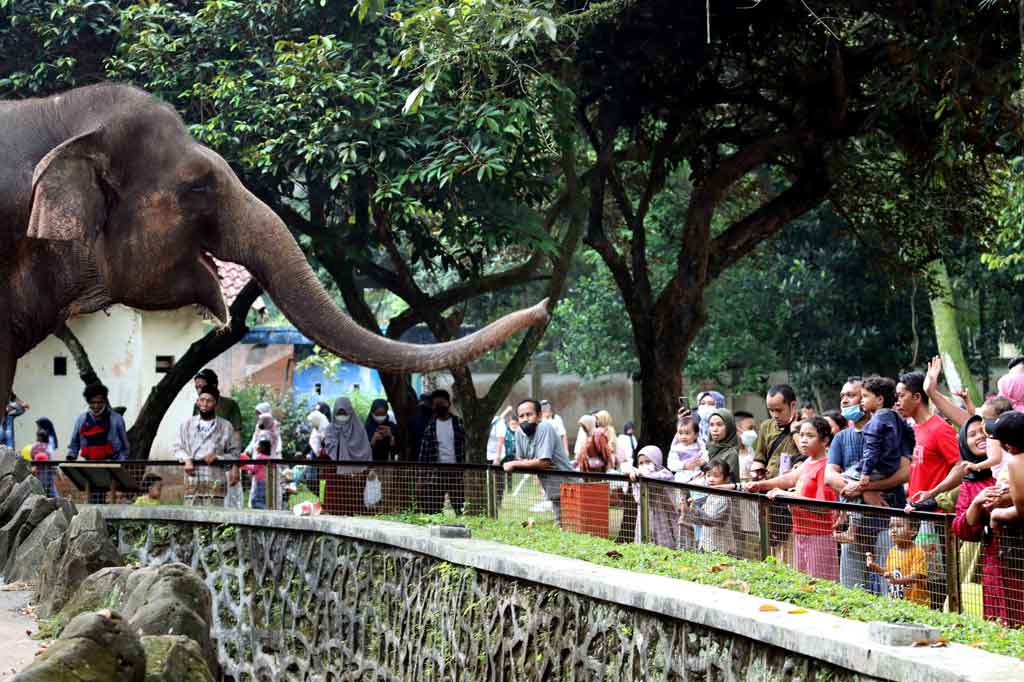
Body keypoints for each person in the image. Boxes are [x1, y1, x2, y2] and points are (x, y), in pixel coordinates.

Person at [950, 415, 1024, 626]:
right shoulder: (970, 483)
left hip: (1017, 556)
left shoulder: (1015, 465)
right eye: (972, 434)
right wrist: (976, 504)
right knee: (1000, 624)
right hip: (996, 562)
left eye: (985, 434)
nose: (981, 438)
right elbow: (961, 529)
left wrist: (1002, 506)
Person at [896, 370, 959, 609]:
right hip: (918, 515)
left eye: (901, 396)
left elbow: (960, 467)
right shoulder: (916, 429)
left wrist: (934, 494)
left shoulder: (939, 428)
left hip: (937, 518)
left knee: (937, 582)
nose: (898, 401)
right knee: (920, 579)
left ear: (916, 398)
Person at [747, 417, 838, 581]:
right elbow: (789, 479)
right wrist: (761, 485)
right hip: (800, 531)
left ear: (824, 440)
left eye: (810, 436)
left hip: (818, 536)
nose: (803, 440)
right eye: (801, 435)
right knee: (803, 583)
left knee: (820, 585)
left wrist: (787, 496)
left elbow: (823, 506)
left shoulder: (826, 466)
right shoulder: (808, 462)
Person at [840, 376, 914, 508]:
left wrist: (866, 473)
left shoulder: (875, 422)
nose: (862, 401)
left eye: (865, 396)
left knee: (846, 479)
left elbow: (872, 448)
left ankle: (848, 517)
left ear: (879, 399)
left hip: (877, 467)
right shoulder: (895, 417)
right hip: (891, 466)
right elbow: (910, 433)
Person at [504, 399, 576, 526]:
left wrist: (514, 464)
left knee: (571, 527)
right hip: (552, 487)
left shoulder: (544, 427)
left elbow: (544, 462)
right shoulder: (520, 433)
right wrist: (521, 462)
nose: (525, 419)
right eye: (521, 416)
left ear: (539, 416)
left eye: (529, 414)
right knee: (561, 525)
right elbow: (523, 459)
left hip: (570, 487)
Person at [173, 385, 240, 506]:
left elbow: (235, 454)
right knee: (192, 516)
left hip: (215, 479)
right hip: (193, 479)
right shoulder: (186, 425)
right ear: (197, 402)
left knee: (214, 517)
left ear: (215, 403)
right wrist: (186, 459)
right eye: (202, 400)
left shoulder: (226, 426)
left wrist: (218, 457)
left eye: (209, 401)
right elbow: (178, 447)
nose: (204, 404)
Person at [321, 396, 372, 515]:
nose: (342, 416)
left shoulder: (359, 429)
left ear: (350, 412)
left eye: (344, 412)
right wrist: (341, 439)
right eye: (339, 413)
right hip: (335, 475)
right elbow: (330, 449)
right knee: (336, 507)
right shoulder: (330, 429)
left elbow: (366, 450)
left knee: (353, 506)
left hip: (356, 476)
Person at [418, 389, 466, 514]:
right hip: (437, 473)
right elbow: (424, 454)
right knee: (433, 508)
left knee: (460, 507)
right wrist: (421, 478)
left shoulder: (459, 423)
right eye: (436, 405)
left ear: (448, 404)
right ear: (433, 406)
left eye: (442, 404)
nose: (439, 407)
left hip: (457, 472)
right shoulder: (430, 427)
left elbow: (467, 447)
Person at [866, 517, 929, 606]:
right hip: (897, 603)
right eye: (891, 526)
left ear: (913, 531)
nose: (893, 530)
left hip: (916, 605)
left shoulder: (918, 551)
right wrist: (875, 567)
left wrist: (897, 581)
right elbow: (889, 573)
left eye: (899, 526)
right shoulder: (892, 551)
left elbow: (917, 575)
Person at [683, 460, 736, 555]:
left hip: (721, 546)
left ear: (726, 478)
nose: (711, 479)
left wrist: (696, 508)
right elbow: (698, 522)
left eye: (716, 476)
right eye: (708, 475)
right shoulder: (710, 495)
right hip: (706, 542)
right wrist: (690, 508)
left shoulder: (724, 498)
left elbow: (713, 521)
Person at [629, 446, 677, 548]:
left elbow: (655, 479)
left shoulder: (665, 474)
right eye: (641, 463)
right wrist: (633, 473)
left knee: (662, 545)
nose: (644, 465)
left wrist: (640, 474)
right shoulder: (639, 476)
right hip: (644, 514)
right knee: (643, 540)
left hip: (662, 515)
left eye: (648, 461)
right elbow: (638, 498)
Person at [68, 383, 129, 462]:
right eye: (92, 402)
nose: (96, 406)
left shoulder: (117, 419)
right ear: (88, 402)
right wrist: (71, 457)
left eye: (99, 402)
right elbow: (74, 444)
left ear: (104, 401)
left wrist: (120, 462)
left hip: (112, 463)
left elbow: (125, 446)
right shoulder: (81, 419)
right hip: (89, 463)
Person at [752, 385, 802, 479]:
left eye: (779, 410)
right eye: (771, 410)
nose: (775, 415)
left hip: (792, 485)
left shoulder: (805, 427)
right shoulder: (766, 426)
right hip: (768, 483)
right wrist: (756, 472)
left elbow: (808, 455)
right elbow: (759, 458)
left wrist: (794, 432)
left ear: (792, 405)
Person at [193, 369, 243, 448]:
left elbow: (236, 434)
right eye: (196, 388)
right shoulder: (197, 406)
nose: (199, 391)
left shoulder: (229, 404)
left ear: (214, 385)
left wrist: (234, 456)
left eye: (201, 387)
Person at [705, 408, 740, 484]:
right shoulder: (709, 447)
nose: (714, 429)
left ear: (729, 427)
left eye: (719, 425)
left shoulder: (731, 453)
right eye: (711, 425)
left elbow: (729, 483)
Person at [667, 416, 704, 482]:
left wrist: (703, 461)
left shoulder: (699, 446)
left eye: (687, 433)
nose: (683, 437)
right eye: (680, 433)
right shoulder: (676, 449)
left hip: (696, 474)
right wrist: (684, 466)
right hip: (681, 475)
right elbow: (671, 464)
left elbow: (705, 454)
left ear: (696, 435)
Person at [365, 398, 398, 462]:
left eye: (383, 414)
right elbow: (361, 451)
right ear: (372, 413)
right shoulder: (366, 428)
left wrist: (391, 437)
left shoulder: (392, 426)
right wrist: (373, 440)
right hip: (370, 464)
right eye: (377, 414)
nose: (380, 416)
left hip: (387, 465)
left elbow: (397, 451)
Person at [406, 393, 433, 462]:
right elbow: (410, 443)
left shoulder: (436, 420)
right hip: (418, 458)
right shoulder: (413, 421)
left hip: (431, 458)